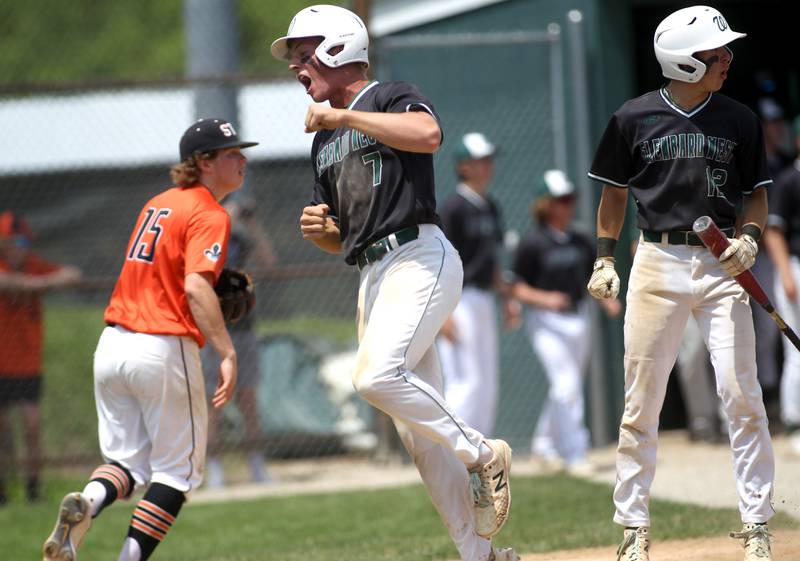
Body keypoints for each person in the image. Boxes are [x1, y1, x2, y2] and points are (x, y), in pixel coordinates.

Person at [271, 6, 516, 561]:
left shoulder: (385, 97)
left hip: (418, 258)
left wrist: (344, 119)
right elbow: (346, 235)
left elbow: (428, 134)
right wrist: (323, 232)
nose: (295, 66)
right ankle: (481, 555)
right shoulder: (323, 141)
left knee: (375, 376)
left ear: (337, 50)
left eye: (303, 54)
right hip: (373, 273)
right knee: (420, 441)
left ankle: (481, 451)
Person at [585, 6, 776, 561]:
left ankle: (757, 524)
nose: (728, 60)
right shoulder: (632, 118)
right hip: (656, 262)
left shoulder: (738, 118)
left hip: (724, 265)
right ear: (685, 63)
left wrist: (752, 238)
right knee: (641, 401)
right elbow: (613, 195)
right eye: (717, 54)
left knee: (741, 394)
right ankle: (633, 531)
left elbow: (756, 193)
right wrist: (603, 259)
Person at [41, 118, 258, 561]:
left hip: (113, 345)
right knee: (177, 475)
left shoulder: (158, 202)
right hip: (162, 346)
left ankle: (88, 504)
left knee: (126, 465)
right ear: (203, 162)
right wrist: (228, 352)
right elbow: (197, 288)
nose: (242, 159)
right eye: (231, 152)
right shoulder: (209, 212)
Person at [510, 171, 619, 472]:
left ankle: (544, 446)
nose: (567, 205)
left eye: (570, 199)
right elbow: (516, 286)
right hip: (546, 321)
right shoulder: (533, 243)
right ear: (546, 204)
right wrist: (545, 299)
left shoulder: (580, 240)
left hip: (579, 318)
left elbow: (591, 278)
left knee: (564, 388)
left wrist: (607, 299)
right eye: (560, 200)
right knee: (566, 384)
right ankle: (575, 452)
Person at [437, 132, 519, 437]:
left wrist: (508, 299)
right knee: (466, 378)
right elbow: (439, 261)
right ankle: (455, 447)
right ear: (463, 167)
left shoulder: (490, 206)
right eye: (480, 160)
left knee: (487, 379)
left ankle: (481, 451)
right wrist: (442, 312)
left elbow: (492, 259)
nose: (487, 165)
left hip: (484, 297)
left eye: (488, 160)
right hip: (458, 299)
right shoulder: (453, 207)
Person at [0, 212, 81, 505]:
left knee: (32, 426)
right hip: (1, 364)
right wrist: (42, 283)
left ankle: (33, 489)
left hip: (28, 363)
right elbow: (7, 283)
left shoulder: (35, 266)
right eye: (10, 242)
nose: (17, 247)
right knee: (3, 432)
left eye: (22, 241)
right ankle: (3, 493)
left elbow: (71, 274)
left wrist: (38, 281)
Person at [202, 196, 277, 488]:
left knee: (248, 400)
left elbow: (269, 262)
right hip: (213, 328)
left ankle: (257, 466)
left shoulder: (241, 238)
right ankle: (215, 470)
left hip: (243, 326)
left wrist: (252, 225)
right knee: (215, 401)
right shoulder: (207, 235)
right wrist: (221, 222)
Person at [763, 115, 800, 457]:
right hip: (795, 267)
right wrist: (786, 273)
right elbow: (774, 230)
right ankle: (793, 419)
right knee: (795, 345)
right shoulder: (790, 179)